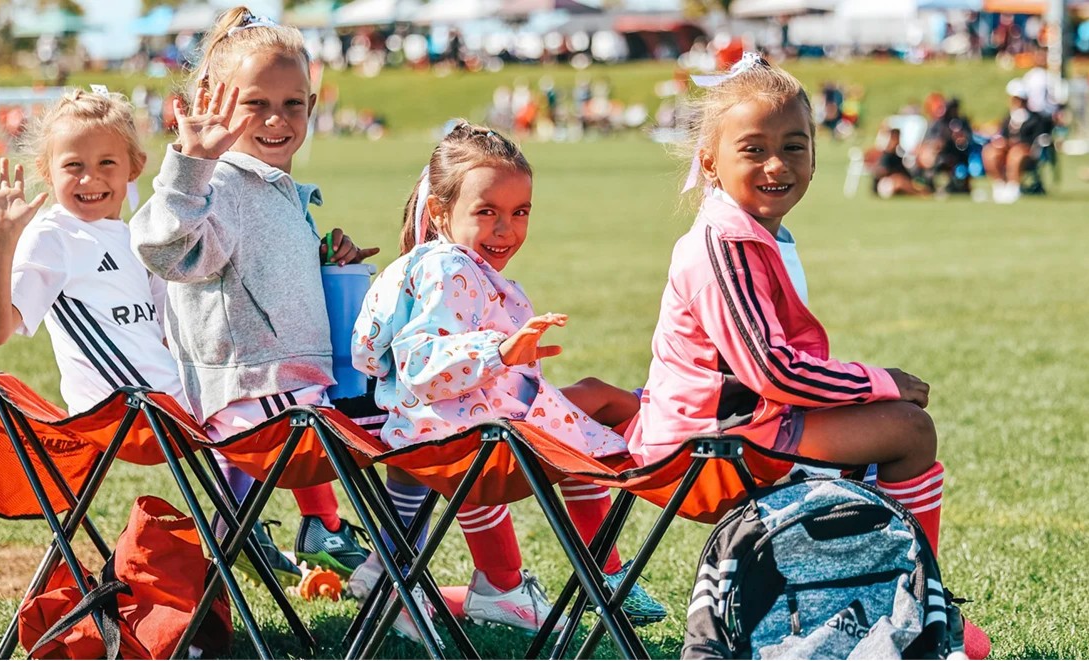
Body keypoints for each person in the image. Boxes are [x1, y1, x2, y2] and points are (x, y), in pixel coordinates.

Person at [625, 55, 990, 659]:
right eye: (754, 149)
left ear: (816, 154)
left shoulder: (751, 232)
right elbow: (770, 369)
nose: (777, 164)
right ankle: (922, 600)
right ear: (710, 160)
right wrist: (880, 381)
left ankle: (891, 594)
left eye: (795, 146)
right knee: (906, 430)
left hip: (744, 426)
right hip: (710, 445)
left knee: (883, 435)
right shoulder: (723, 245)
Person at [349, 121, 668, 634]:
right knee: (604, 404)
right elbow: (422, 362)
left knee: (592, 402)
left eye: (520, 213)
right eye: (487, 213)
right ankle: (603, 572)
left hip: (434, 436)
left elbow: (368, 351)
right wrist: (499, 351)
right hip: (471, 443)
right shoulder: (448, 269)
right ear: (440, 211)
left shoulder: (419, 264)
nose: (507, 230)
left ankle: (405, 568)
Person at [130, 7, 375, 588]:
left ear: (313, 107)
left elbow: (253, 275)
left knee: (411, 424)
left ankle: (232, 534)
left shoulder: (277, 188)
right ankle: (387, 570)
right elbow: (164, 249)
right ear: (216, 103)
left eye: (293, 103)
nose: (276, 118)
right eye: (256, 104)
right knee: (413, 434)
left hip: (283, 385)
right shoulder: (222, 183)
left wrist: (321, 262)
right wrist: (190, 166)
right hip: (254, 392)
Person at [0, 90, 183, 416]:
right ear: (46, 171)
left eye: (107, 162)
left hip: (175, 404)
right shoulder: (55, 237)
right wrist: (2, 236)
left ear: (135, 166)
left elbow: (171, 338)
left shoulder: (137, 239)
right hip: (131, 415)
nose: (90, 178)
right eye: (73, 165)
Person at [983, 80, 1052, 204]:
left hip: (1026, 154)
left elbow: (1036, 140)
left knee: (1016, 153)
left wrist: (1016, 144)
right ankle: (1000, 185)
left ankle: (1013, 187)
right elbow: (1003, 136)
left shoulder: (1036, 119)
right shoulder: (1008, 117)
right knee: (990, 152)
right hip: (1008, 150)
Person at [873, 129, 931, 199]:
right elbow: (880, 173)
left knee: (906, 182)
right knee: (899, 181)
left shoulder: (897, 156)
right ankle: (918, 194)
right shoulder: (886, 155)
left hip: (896, 183)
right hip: (885, 185)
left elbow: (904, 172)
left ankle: (921, 192)